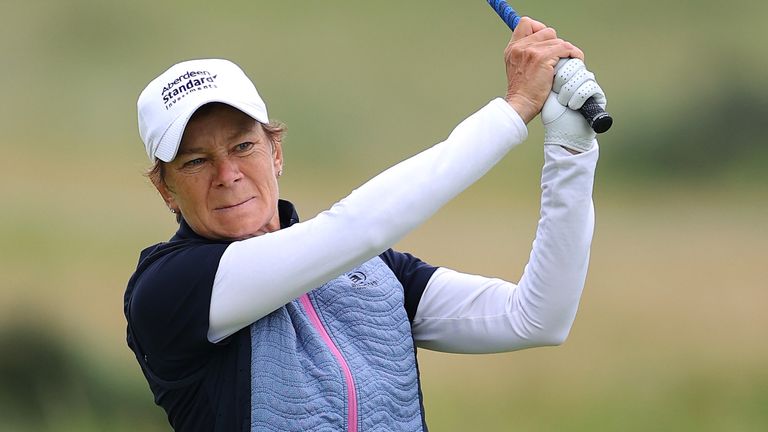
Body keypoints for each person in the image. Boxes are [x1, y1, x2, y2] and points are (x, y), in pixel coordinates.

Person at [124, 17, 605, 432]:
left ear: (275, 152)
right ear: (165, 189)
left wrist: (571, 149)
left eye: (243, 146)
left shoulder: (374, 272)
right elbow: (353, 230)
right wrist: (514, 108)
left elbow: (538, 318)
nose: (227, 175)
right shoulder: (169, 289)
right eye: (195, 161)